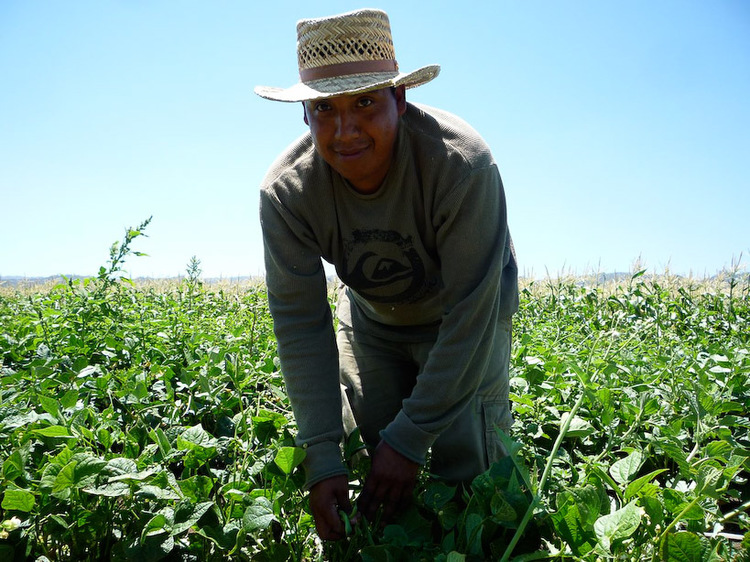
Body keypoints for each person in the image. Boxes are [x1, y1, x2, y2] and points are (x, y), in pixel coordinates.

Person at [255, 8, 518, 541]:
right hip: (373, 318)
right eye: (324, 108)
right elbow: (300, 322)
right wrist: (321, 454)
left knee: (475, 484)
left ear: (399, 99)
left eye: (365, 102)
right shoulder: (287, 193)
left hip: (465, 315)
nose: (345, 129)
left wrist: (411, 439)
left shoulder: (460, 163)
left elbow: (473, 311)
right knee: (369, 457)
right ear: (304, 114)